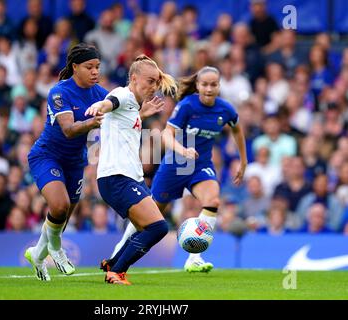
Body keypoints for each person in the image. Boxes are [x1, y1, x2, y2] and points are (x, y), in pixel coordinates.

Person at [102, 66, 247, 273]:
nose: (208, 89)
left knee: (213, 200)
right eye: (204, 84)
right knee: (148, 216)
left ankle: (194, 257)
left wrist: (243, 161)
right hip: (175, 166)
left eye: (213, 85)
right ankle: (119, 250)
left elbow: (237, 128)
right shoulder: (187, 106)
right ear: (197, 86)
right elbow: (166, 135)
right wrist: (183, 150)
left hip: (201, 165)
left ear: (219, 86)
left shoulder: (225, 109)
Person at [85, 55, 177, 285]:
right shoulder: (123, 95)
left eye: (156, 82)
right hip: (118, 177)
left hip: (127, 178)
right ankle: (117, 271)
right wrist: (100, 105)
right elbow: (111, 102)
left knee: (143, 226)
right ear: (134, 78)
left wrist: (141, 115)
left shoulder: (133, 106)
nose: (154, 86)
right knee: (157, 227)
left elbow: (122, 117)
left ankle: (113, 262)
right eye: (150, 81)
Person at [24, 43, 107, 281]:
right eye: (89, 67)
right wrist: (92, 123)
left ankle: (37, 255)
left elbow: (123, 107)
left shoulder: (100, 94)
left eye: (97, 67)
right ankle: (57, 251)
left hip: (74, 161)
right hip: (47, 155)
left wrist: (141, 112)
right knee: (59, 206)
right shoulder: (59, 92)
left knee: (62, 216)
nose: (95, 72)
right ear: (75, 67)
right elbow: (69, 130)